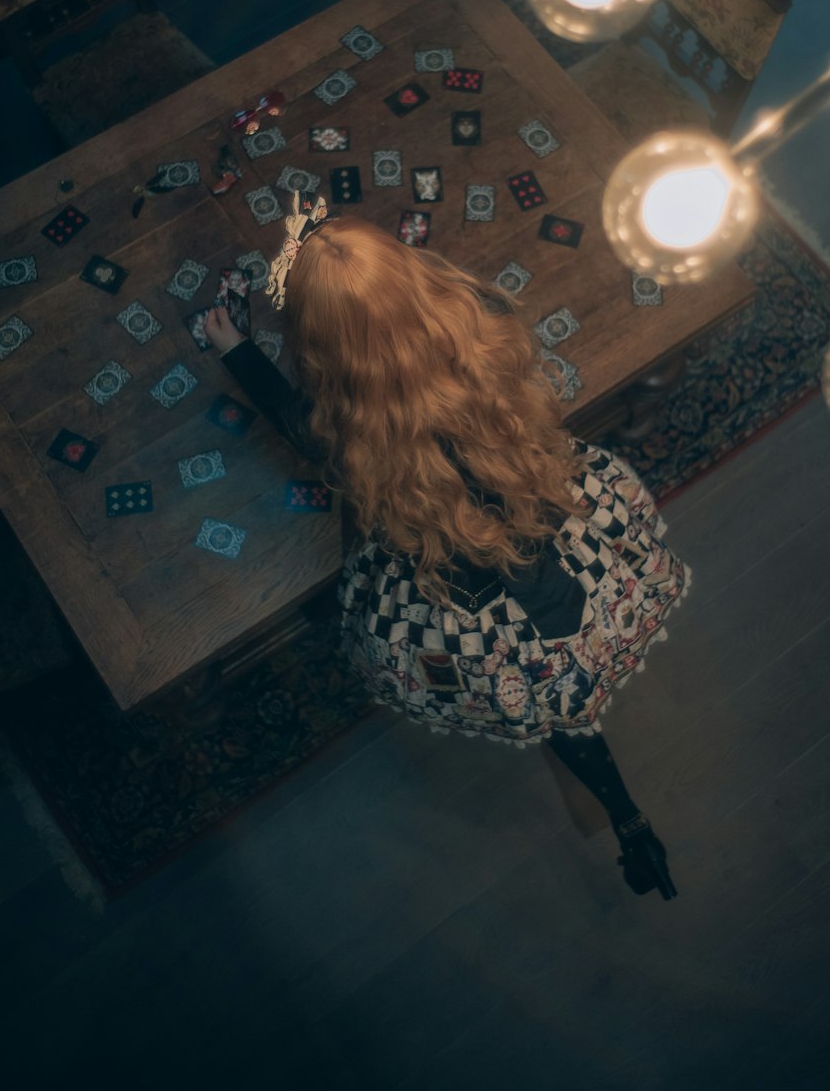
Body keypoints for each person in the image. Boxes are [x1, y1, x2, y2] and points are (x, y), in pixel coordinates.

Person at [204, 191, 693, 901]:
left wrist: (240, 350)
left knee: (546, 703)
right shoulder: (481, 320)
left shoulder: (344, 432)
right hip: (566, 550)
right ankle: (628, 819)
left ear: (320, 347)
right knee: (563, 706)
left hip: (481, 615)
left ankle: (627, 816)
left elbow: (295, 424)